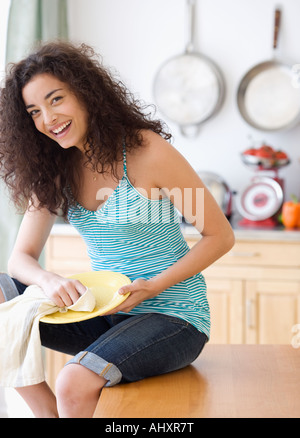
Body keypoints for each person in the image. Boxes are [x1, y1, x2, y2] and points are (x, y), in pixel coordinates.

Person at [0, 41, 234, 418]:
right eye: (34, 111)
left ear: (85, 92)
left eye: (56, 99)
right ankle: (46, 413)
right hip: (104, 315)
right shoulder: (55, 169)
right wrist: (47, 280)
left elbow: (220, 235)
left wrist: (153, 286)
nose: (48, 118)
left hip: (173, 318)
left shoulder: (147, 152)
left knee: (72, 382)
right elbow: (20, 259)